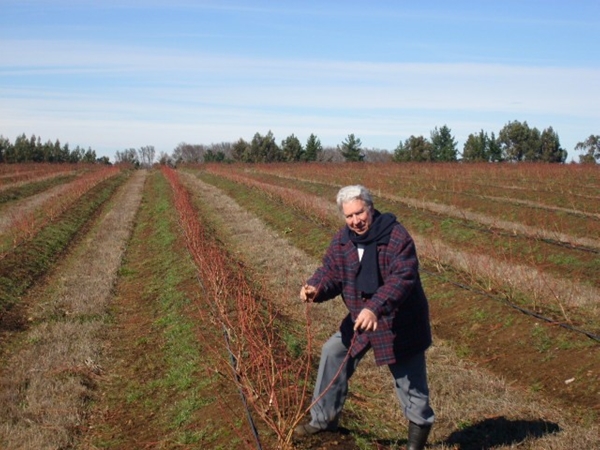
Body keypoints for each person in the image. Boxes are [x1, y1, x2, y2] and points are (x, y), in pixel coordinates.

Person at [294, 185, 434, 450]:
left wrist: (376, 307)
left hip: (399, 321)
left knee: (411, 386)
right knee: (333, 352)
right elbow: (330, 272)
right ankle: (323, 420)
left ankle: (416, 442)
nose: (355, 221)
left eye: (360, 213)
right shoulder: (343, 240)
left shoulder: (395, 236)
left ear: (370, 208)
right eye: (349, 216)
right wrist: (315, 288)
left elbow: (402, 278)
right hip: (361, 317)